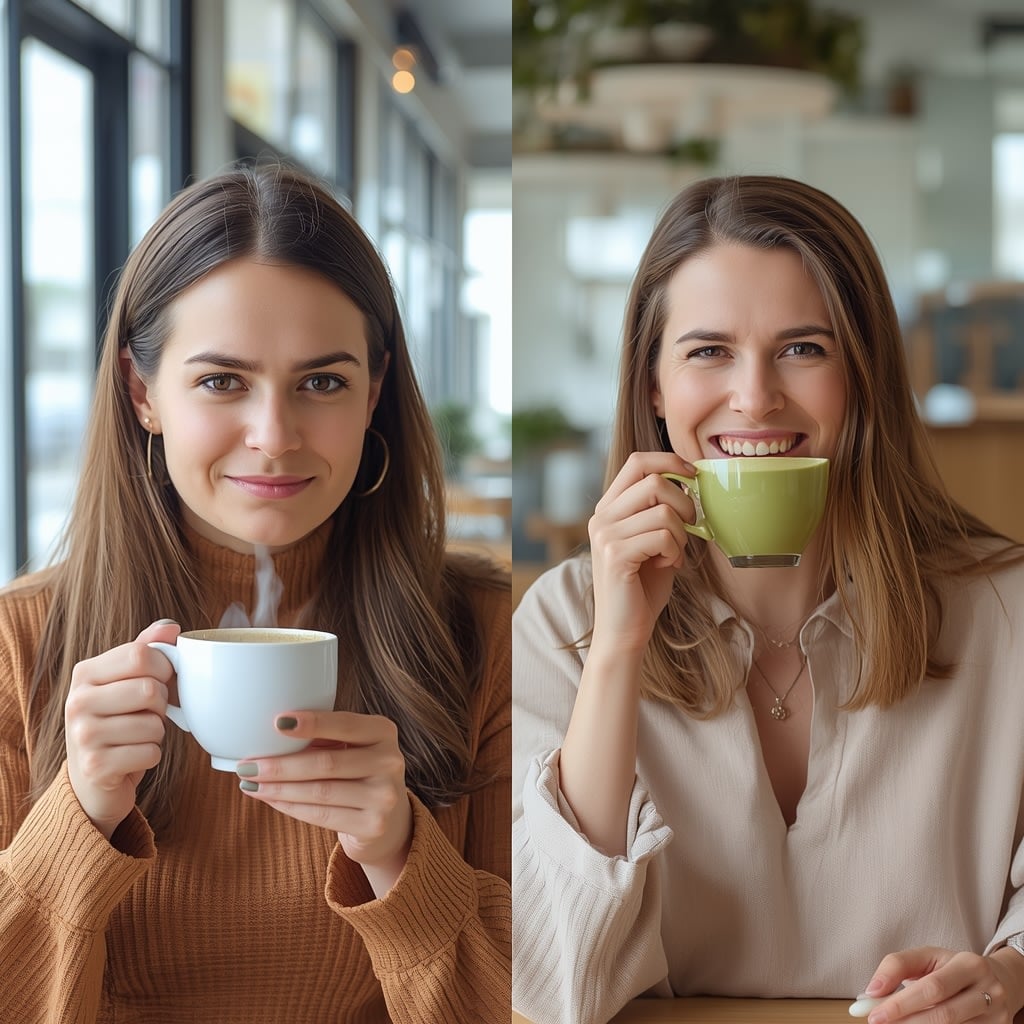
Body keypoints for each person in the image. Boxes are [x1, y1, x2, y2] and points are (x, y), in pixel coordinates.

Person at [0, 163, 511, 1023]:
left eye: (322, 383)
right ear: (141, 392)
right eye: (221, 381)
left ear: (374, 392)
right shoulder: (21, 646)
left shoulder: (482, 635)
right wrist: (77, 818)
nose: (274, 438)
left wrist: (401, 860)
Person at [512, 175, 1024, 1024]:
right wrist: (615, 653)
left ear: (861, 376)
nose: (754, 396)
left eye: (803, 348)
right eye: (708, 351)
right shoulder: (563, 621)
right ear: (653, 388)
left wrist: (1011, 978)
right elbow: (552, 982)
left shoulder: (1007, 608)